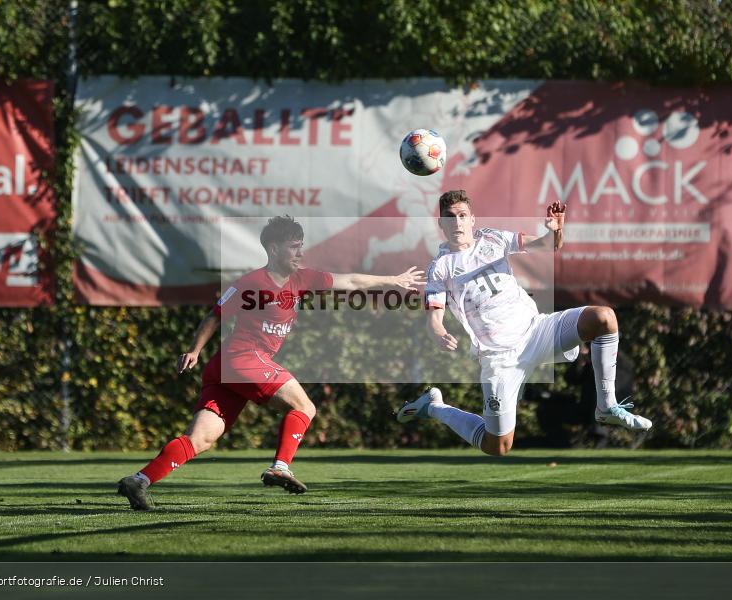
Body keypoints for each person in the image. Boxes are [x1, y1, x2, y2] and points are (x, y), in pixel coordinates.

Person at [118, 216, 424, 510]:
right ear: (274, 248)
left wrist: (393, 280)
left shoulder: (303, 279)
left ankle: (139, 479)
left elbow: (352, 281)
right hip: (242, 358)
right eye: (294, 246)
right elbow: (215, 315)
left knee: (201, 438)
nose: (300, 252)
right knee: (305, 407)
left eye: (301, 245)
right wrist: (194, 350)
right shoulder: (251, 283)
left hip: (229, 368)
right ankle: (280, 467)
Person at [396, 190, 651, 456]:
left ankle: (606, 406)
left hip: (536, 331)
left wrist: (555, 230)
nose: (456, 223)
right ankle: (435, 407)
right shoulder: (440, 267)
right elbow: (434, 317)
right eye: (449, 217)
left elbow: (548, 244)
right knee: (498, 446)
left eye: (462, 216)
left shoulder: (492, 238)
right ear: (441, 224)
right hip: (499, 357)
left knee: (603, 318)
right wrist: (438, 332)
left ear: (472, 219)